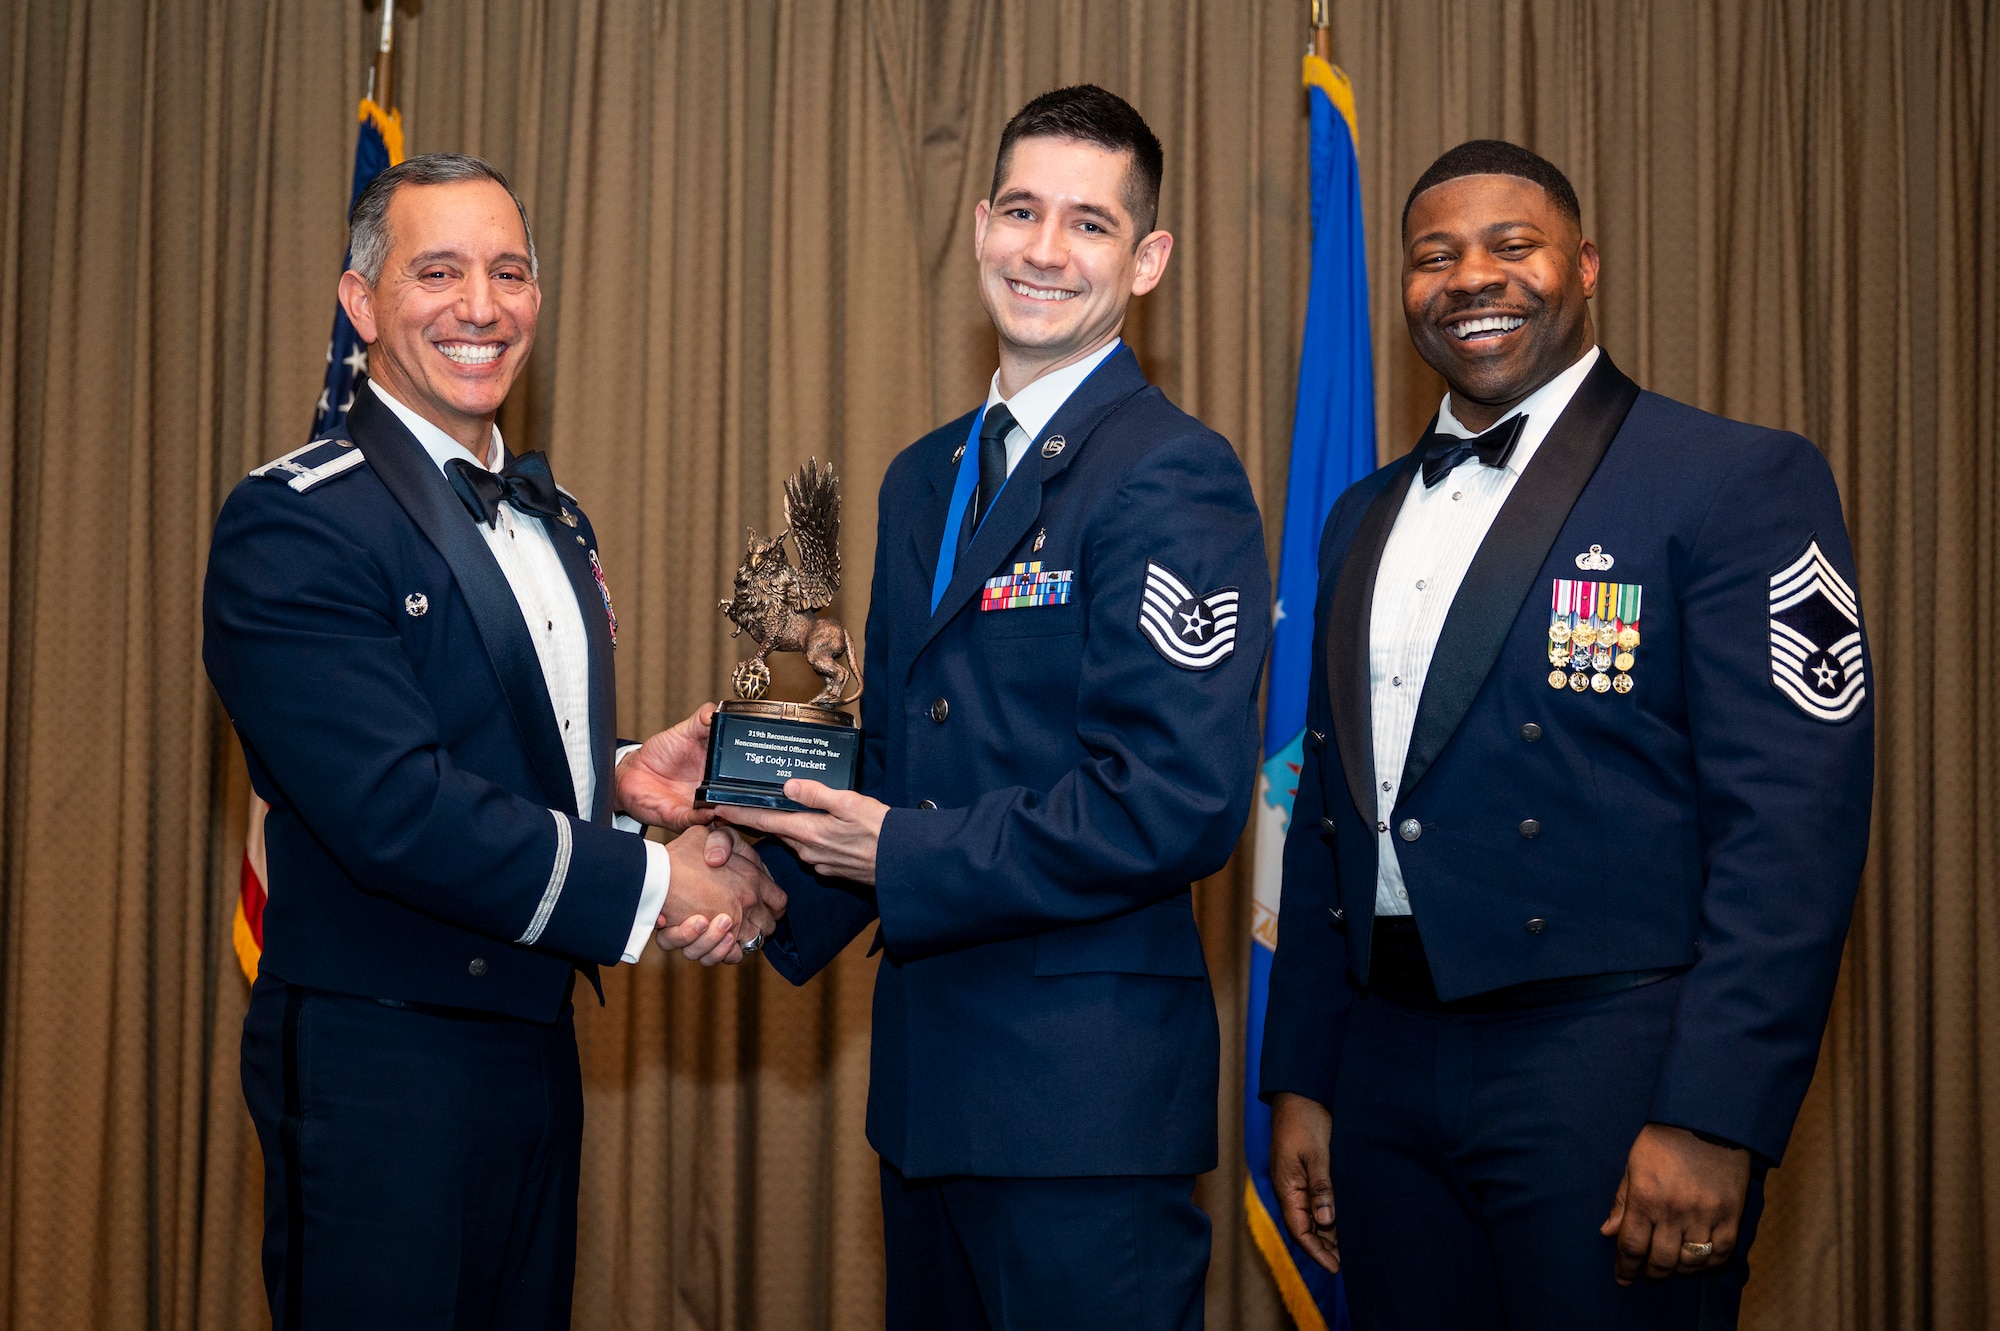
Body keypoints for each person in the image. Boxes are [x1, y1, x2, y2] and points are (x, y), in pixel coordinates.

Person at [1259, 139, 1875, 1328]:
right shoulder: (1357, 515)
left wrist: (1712, 1110)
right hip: (1382, 1067)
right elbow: (1324, 808)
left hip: (1609, 1063)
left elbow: (1792, 829)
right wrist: (1303, 1075)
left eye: (1510, 245)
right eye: (1433, 256)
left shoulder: (1732, 478)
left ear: (1582, 265)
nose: (1469, 278)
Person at [716, 86, 1270, 1330]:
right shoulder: (926, 474)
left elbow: (1172, 802)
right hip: (927, 1093)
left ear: (1147, 257)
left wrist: (898, 849)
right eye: (1021, 211)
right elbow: (907, 753)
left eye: (1087, 223)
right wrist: (758, 858)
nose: (1042, 250)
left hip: (1085, 1105)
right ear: (977, 227)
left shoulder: (1171, 473)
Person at [202, 153, 783, 1330]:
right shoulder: (294, 521)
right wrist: (654, 879)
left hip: (531, 1040)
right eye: (440, 271)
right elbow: (394, 805)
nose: (482, 304)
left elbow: (479, 737)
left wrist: (619, 778)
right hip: (380, 1059)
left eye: (509, 270)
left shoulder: (551, 517)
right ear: (360, 304)